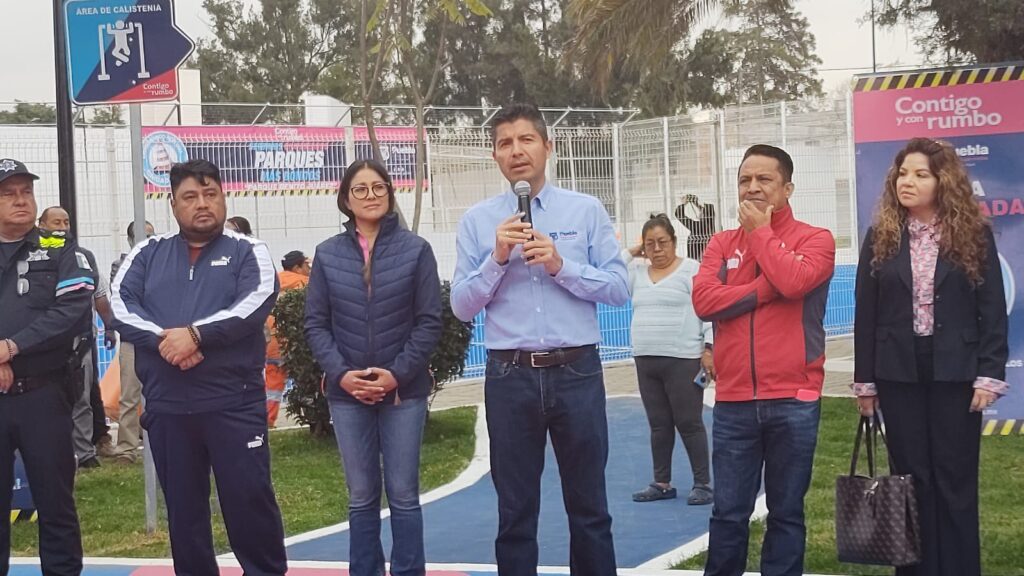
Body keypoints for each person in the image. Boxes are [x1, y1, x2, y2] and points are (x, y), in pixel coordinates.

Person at [451, 103, 628, 576]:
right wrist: (497, 257)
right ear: (495, 157)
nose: (516, 151)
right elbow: (461, 305)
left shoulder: (585, 210)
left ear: (547, 147)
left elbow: (618, 287)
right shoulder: (477, 222)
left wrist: (560, 266)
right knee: (515, 513)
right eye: (505, 143)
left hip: (577, 371)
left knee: (590, 509)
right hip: (510, 376)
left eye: (526, 139)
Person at [111, 159, 287, 575]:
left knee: (250, 506)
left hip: (234, 405)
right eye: (190, 197)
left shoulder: (249, 251)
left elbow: (255, 302)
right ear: (173, 204)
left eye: (211, 194)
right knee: (185, 519)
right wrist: (165, 339)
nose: (202, 204)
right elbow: (120, 305)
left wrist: (195, 335)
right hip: (170, 408)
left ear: (223, 197)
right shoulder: (147, 254)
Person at [853, 138, 1007, 576]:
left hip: (956, 373)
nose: (908, 181)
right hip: (898, 372)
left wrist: (988, 374)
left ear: (944, 181)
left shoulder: (972, 234)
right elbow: (867, 314)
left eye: (921, 174)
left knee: (954, 480)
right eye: (903, 173)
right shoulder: (881, 235)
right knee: (911, 480)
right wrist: (865, 383)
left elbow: (992, 310)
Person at [692, 144, 836, 576]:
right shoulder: (720, 242)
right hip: (735, 400)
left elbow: (794, 281)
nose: (752, 188)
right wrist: (763, 291)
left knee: (786, 514)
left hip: (794, 398)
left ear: (787, 188)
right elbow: (703, 300)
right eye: (744, 180)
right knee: (728, 514)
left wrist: (761, 234)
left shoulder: (816, 239)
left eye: (764, 180)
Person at [305, 159, 442, 576]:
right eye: (360, 189)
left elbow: (429, 320)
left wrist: (396, 374)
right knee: (361, 495)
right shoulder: (327, 255)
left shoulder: (416, 250)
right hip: (347, 395)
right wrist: (343, 375)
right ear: (346, 199)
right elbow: (315, 323)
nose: (370, 196)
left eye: (378, 187)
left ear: (390, 192)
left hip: (403, 392)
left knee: (403, 495)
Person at [0, 159, 92, 576]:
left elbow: (72, 310)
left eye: (26, 192)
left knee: (56, 506)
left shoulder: (59, 248)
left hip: (43, 394)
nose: (20, 200)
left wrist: (10, 348)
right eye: (8, 193)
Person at [624, 213, 714, 505]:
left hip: (683, 358)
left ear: (675, 242)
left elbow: (708, 311)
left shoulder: (692, 270)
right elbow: (607, 269)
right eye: (650, 244)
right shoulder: (635, 273)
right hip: (646, 359)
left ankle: (702, 483)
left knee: (689, 422)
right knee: (659, 424)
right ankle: (661, 482)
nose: (657, 249)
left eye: (663, 242)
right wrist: (630, 252)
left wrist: (709, 349)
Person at [38, 206, 118, 470]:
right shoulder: (32, 255)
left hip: (79, 342)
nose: (61, 226)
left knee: (81, 398)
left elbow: (99, 295)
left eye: (66, 221)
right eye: (55, 222)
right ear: (42, 224)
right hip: (42, 345)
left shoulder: (84, 257)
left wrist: (109, 327)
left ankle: (84, 454)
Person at [108, 219, 155, 463]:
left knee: (158, 394)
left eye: (150, 234)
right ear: (129, 239)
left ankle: (158, 443)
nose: (146, 239)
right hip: (132, 340)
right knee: (129, 395)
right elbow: (126, 297)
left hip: (159, 338)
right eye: (140, 235)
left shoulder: (162, 262)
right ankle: (126, 448)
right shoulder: (120, 265)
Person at [264, 249, 310, 427]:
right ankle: (313, 419)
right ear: (297, 267)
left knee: (272, 387)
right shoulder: (305, 283)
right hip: (296, 343)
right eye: (306, 265)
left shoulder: (272, 282)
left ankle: (268, 421)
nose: (309, 269)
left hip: (271, 342)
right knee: (306, 381)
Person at [674, 194, 718, 260]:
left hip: (695, 261)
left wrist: (685, 203)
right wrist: (696, 204)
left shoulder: (697, 227)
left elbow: (679, 214)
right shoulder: (715, 229)